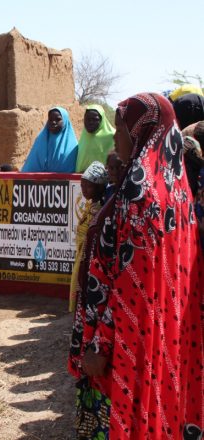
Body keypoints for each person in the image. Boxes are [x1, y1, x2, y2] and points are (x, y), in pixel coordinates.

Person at [68, 93, 203, 439]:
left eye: (122, 127)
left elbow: (129, 285)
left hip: (128, 346)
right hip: (160, 340)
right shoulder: (177, 191)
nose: (115, 136)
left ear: (142, 132)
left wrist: (100, 344)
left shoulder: (140, 197)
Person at [68, 161, 107, 312]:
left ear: (99, 187)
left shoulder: (99, 210)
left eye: (88, 186)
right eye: (82, 186)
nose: (84, 190)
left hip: (89, 257)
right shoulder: (91, 206)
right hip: (82, 255)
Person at [22, 107, 78, 173]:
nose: (53, 122)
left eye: (58, 119)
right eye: (50, 119)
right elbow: (30, 167)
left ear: (65, 121)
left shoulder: (73, 147)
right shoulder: (40, 141)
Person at [75, 105, 115, 173]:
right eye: (87, 119)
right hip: (81, 179)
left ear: (102, 120)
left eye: (95, 119)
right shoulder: (84, 135)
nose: (90, 122)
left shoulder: (112, 136)